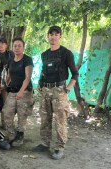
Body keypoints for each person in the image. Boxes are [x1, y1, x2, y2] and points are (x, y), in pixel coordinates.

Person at [33, 26, 79, 160]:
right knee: (44, 118)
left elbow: (75, 74)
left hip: (60, 90)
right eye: (50, 34)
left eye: (56, 34)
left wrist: (68, 89)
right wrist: (40, 84)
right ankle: (45, 143)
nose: (53, 37)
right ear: (48, 36)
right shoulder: (44, 54)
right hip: (45, 90)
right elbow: (43, 71)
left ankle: (59, 147)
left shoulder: (66, 53)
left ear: (60, 36)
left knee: (60, 120)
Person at [2, 37, 34, 147]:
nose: (17, 48)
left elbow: (28, 77)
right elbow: (9, 74)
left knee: (22, 114)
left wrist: (21, 91)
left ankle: (20, 136)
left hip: (24, 92)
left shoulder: (27, 59)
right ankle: (11, 135)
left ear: (23, 47)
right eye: (15, 45)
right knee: (7, 112)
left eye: (19, 46)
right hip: (13, 90)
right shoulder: (11, 60)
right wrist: (5, 84)